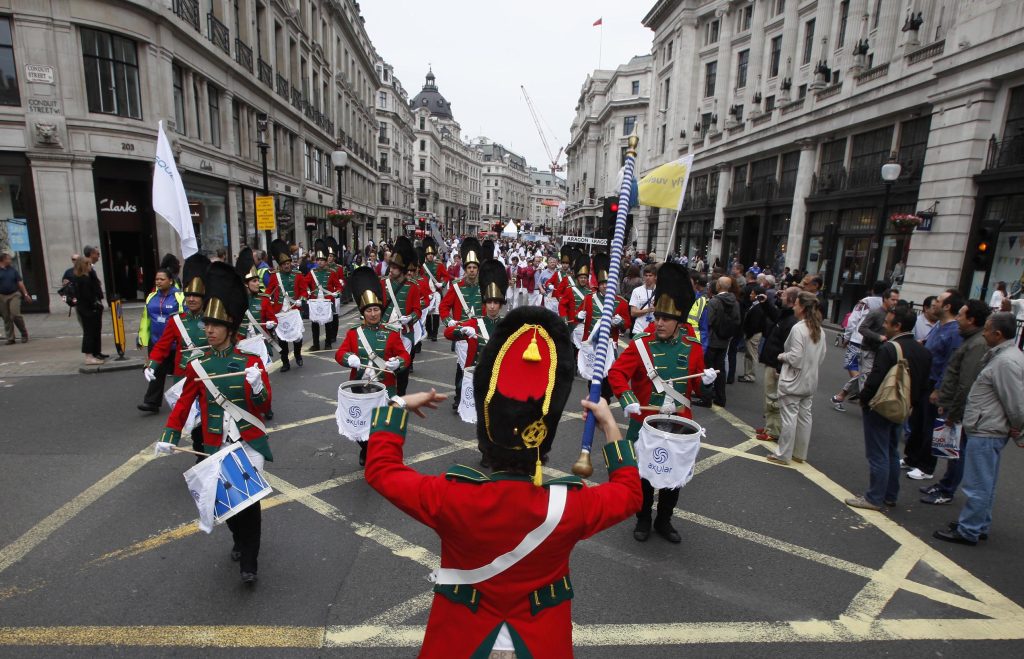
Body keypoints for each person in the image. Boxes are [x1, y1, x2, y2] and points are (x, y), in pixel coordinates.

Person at [364, 305, 641, 658]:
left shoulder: (451, 497)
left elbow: (381, 470)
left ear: (486, 440)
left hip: (459, 641)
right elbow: (631, 493)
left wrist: (398, 404)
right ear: (543, 443)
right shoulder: (570, 505)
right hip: (542, 644)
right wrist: (609, 425)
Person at [158, 262, 272, 584]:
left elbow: (264, 406)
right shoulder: (199, 366)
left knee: (248, 501)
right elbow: (184, 404)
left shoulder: (250, 363)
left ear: (230, 329)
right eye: (207, 323)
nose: (208, 329)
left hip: (248, 442)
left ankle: (250, 561)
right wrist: (169, 435)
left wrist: (258, 385)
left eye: (215, 324)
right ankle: (238, 538)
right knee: (230, 505)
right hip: (215, 443)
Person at [609, 262, 714, 544]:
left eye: (667, 319)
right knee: (644, 476)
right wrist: (627, 399)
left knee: (673, 477)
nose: (661, 323)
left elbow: (697, 388)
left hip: (678, 424)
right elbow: (617, 373)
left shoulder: (692, 348)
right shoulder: (641, 344)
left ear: (679, 321)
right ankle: (643, 518)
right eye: (658, 317)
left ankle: (664, 520)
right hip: (645, 423)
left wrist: (706, 383)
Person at [933, 312, 1024, 545]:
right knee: (986, 482)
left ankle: (969, 529)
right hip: (988, 426)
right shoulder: (1005, 356)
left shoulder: (1006, 361)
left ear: (998, 333)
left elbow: (1015, 403)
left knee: (977, 484)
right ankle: (978, 524)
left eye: (986, 329)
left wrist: (1019, 430)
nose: (983, 333)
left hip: (987, 429)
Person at [845, 304, 931, 511]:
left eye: (887, 322)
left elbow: (875, 379)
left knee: (877, 452)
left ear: (898, 325)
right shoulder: (923, 351)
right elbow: (924, 383)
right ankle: (890, 495)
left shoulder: (889, 348)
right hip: (904, 407)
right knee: (892, 450)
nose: (884, 325)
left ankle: (874, 497)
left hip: (882, 405)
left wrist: (864, 399)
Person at [336, 266, 410, 466]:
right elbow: (340, 353)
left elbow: (405, 355)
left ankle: (377, 450)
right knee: (360, 422)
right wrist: (348, 358)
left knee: (382, 424)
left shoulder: (392, 333)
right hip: (359, 387)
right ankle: (365, 448)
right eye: (369, 310)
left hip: (385, 387)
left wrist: (398, 363)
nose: (373, 314)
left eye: (376, 309)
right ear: (363, 313)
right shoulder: (353, 333)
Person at [922, 300, 991, 505]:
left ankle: (947, 490)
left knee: (956, 451)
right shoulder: (968, 339)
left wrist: (952, 411)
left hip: (963, 409)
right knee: (951, 449)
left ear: (971, 320)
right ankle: (945, 484)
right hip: (956, 404)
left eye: (961, 315)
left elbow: (965, 383)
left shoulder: (977, 344)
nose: (957, 318)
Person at [904, 289, 965, 481]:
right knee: (917, 422)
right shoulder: (939, 325)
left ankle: (926, 467)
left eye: (938, 301)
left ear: (947, 306)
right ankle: (911, 458)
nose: (934, 304)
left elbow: (950, 363)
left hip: (935, 383)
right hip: (925, 380)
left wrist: (939, 388)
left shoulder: (954, 331)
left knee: (931, 426)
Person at [767, 292, 827, 465]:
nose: (793, 306)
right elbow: (821, 356)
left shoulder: (799, 328)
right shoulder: (819, 330)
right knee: (805, 417)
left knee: (789, 418)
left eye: (796, 304)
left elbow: (795, 357)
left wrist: (781, 356)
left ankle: (783, 454)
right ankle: (800, 453)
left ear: (802, 308)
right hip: (810, 380)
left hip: (793, 380)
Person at [834, 288, 900, 411]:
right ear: (885, 299)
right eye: (893, 299)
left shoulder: (892, 315)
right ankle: (866, 403)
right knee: (866, 376)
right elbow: (862, 328)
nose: (895, 302)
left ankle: (840, 396)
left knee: (866, 375)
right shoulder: (875, 313)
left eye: (897, 300)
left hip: (882, 351)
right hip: (868, 349)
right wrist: (878, 337)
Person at [578, 253, 630, 400]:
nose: (605, 286)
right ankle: (594, 401)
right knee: (592, 376)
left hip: (609, 346)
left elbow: (626, 326)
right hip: (591, 343)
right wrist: (578, 317)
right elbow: (578, 315)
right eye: (602, 283)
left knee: (607, 376)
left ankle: (605, 400)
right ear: (598, 285)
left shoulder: (621, 302)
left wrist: (620, 323)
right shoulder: (589, 299)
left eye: (608, 283)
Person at [440, 238, 483, 408]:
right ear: (465, 269)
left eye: (474, 268)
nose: (472, 271)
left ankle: (475, 398)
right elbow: (444, 306)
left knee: (479, 367)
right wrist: (448, 320)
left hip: (479, 333)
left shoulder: (484, 287)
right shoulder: (457, 286)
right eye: (469, 268)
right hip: (462, 333)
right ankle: (459, 397)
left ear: (478, 269)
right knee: (462, 367)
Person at [136, 267, 186, 412]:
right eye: (157, 279)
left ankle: (183, 402)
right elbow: (146, 319)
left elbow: (184, 318)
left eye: (162, 279)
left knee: (180, 373)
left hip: (176, 343)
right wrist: (141, 337)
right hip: (156, 342)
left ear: (170, 281)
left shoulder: (179, 297)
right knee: (155, 371)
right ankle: (152, 402)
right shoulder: (151, 297)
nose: (158, 282)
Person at [757, 287, 801, 442]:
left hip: (776, 363)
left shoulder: (791, 321)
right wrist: (765, 304)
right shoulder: (786, 316)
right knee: (769, 396)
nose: (780, 296)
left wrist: (779, 367)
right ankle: (770, 425)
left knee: (773, 398)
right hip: (772, 360)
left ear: (790, 299)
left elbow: (787, 347)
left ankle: (774, 430)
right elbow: (774, 314)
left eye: (783, 294)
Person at [380, 237, 422, 396]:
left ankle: (401, 395)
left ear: (402, 269)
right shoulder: (383, 284)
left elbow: (418, 311)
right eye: (391, 265)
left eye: (395, 267)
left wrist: (409, 318)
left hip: (404, 333)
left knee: (402, 368)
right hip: (385, 331)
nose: (391, 269)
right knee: (385, 366)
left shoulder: (413, 287)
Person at [265, 238, 307, 371]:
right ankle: (285, 362)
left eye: (288, 263)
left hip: (294, 310)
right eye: (284, 264)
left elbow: (304, 291)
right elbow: (268, 293)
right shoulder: (274, 277)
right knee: (282, 340)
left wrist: (302, 299)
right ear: (280, 265)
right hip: (279, 311)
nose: (287, 266)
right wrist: (268, 303)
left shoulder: (298, 275)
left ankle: (298, 355)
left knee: (297, 336)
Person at [705, 276, 741, 407]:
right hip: (725, 339)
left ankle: (706, 396)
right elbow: (737, 321)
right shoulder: (735, 302)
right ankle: (721, 397)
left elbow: (708, 320)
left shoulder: (714, 301)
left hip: (712, 338)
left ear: (718, 286)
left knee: (708, 368)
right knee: (720, 369)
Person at [307, 239, 343, 352]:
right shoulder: (312, 272)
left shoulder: (332, 272)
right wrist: (308, 291)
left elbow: (338, 286)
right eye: (318, 260)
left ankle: (328, 343)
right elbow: (304, 283)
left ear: (326, 261)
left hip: (328, 301)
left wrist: (337, 292)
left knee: (328, 323)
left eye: (322, 260)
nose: (320, 262)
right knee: (315, 324)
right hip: (315, 302)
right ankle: (316, 344)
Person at [69, 257, 105, 364]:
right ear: (84, 266)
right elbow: (88, 296)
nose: (91, 266)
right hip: (88, 310)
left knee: (91, 331)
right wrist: (95, 305)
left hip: (85, 309)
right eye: (89, 265)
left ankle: (92, 354)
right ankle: (89, 356)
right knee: (89, 332)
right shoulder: (83, 279)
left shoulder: (81, 278)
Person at [420, 237, 449, 341]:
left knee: (436, 313)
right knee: (427, 313)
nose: (430, 255)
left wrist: (443, 284)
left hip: (436, 292)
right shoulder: (422, 267)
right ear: (426, 256)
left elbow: (446, 276)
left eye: (432, 254)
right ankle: (429, 331)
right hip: (426, 293)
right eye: (428, 254)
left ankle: (435, 334)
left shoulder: (439, 265)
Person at [0, 251, 31, 344]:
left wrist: (25, 294)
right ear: (3, 260)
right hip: (1, 296)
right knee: (6, 317)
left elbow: (20, 283)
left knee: (15, 314)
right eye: (8, 258)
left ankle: (24, 333)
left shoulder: (13, 270)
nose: (10, 260)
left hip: (14, 294)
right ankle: (10, 338)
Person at [738, 286, 767, 383]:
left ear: (757, 295)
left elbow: (755, 324)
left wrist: (748, 334)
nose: (750, 295)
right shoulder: (755, 305)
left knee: (752, 355)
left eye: (753, 293)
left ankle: (750, 375)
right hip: (752, 333)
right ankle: (747, 374)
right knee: (748, 355)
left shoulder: (758, 307)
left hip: (753, 334)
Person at [628, 264, 658, 338]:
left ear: (655, 277)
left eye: (650, 275)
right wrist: (648, 310)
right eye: (646, 275)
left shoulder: (660, 291)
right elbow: (633, 312)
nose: (648, 278)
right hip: (639, 330)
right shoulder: (637, 291)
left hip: (655, 331)